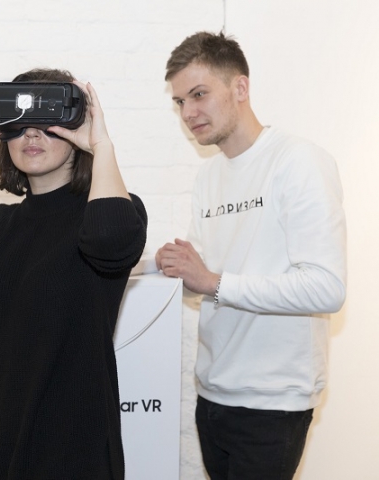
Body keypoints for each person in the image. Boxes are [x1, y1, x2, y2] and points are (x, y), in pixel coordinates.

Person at [0, 68, 147, 479]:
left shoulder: (112, 211)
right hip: (2, 447)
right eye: (19, 124)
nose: (31, 134)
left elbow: (110, 242)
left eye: (48, 121)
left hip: (78, 452)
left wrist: (101, 145)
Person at [156, 32, 347, 479]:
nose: (188, 113)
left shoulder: (299, 161)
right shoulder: (208, 176)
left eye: (198, 94)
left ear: (240, 87)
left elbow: (327, 287)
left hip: (273, 404)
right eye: (180, 101)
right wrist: (168, 267)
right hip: (212, 394)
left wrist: (212, 281)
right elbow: (203, 275)